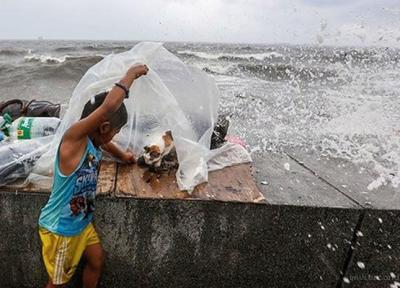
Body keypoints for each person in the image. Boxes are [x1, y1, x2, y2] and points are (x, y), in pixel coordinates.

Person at [37, 64, 149, 288]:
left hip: (82, 223)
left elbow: (106, 144)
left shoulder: (95, 141)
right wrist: (130, 75)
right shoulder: (73, 140)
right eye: (115, 131)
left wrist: (123, 155)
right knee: (57, 283)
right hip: (61, 230)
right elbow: (108, 107)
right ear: (104, 126)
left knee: (96, 261)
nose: (114, 136)